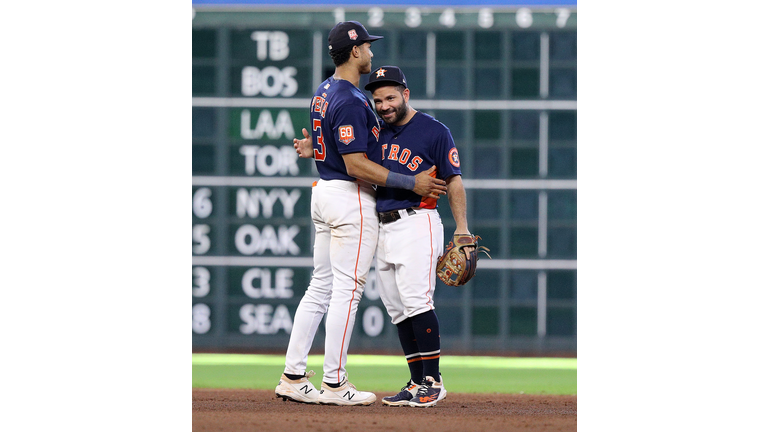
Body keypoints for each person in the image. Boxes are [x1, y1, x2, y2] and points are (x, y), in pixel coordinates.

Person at [274, 22, 447, 406]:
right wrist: (410, 183)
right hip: (348, 196)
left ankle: (293, 375)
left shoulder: (324, 91)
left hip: (324, 193)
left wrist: (314, 149)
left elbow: (333, 143)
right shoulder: (352, 99)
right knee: (347, 290)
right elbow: (355, 164)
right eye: (367, 47)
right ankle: (335, 383)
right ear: (354, 52)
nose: (371, 53)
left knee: (319, 287)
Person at [364, 66, 475, 408]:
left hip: (418, 221)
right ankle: (415, 381)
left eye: (390, 97)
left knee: (416, 302)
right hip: (382, 225)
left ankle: (433, 380)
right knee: (397, 310)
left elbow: (453, 180)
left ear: (406, 94)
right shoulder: (375, 133)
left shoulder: (433, 131)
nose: (384, 105)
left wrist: (462, 228)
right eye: (378, 99)